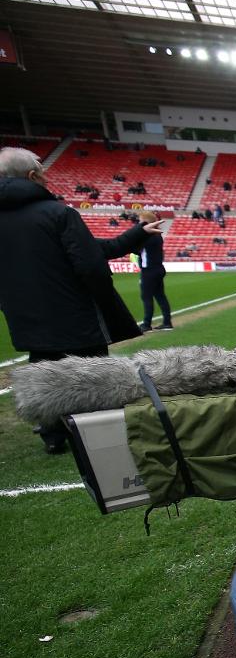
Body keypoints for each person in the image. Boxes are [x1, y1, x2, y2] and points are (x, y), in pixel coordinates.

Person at [0, 147, 169, 453]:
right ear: (31, 176)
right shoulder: (58, 213)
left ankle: (52, 434)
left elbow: (93, 248)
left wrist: (137, 233)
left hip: (26, 316)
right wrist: (103, 298)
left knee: (42, 369)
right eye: (41, 168)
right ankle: (97, 431)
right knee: (92, 372)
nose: (46, 174)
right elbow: (91, 263)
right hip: (73, 313)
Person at [135, 210, 172, 332]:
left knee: (146, 297)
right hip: (158, 268)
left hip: (149, 270)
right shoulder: (158, 235)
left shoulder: (147, 236)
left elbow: (135, 248)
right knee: (161, 296)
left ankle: (146, 324)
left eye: (140, 221)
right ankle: (167, 322)